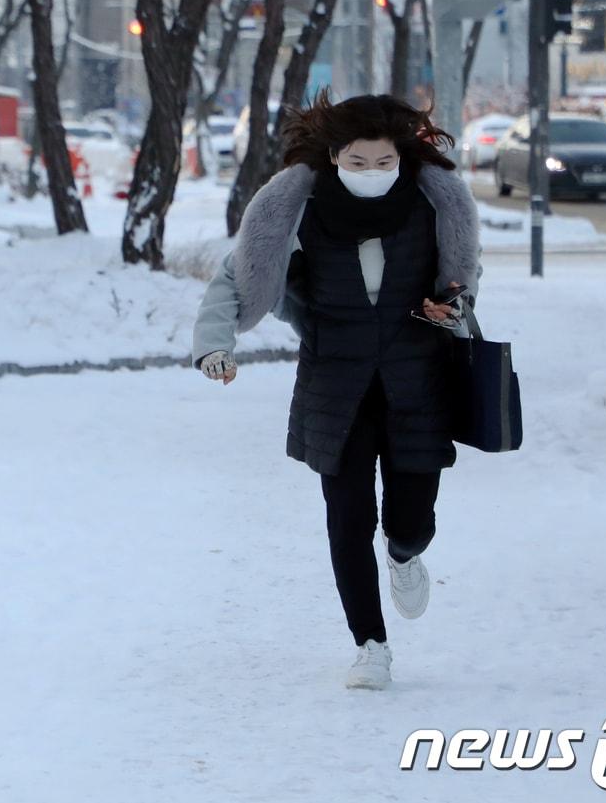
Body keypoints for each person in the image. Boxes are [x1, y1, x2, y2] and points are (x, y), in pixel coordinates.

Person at [192, 92, 481, 691]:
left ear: (401, 157)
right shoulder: (300, 210)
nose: (371, 174)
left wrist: (450, 308)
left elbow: (459, 282)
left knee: (411, 518)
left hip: (415, 382)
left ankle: (404, 554)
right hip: (335, 387)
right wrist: (215, 344)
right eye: (357, 163)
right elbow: (236, 275)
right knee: (347, 519)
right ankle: (370, 646)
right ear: (334, 158)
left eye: (382, 163)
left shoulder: (429, 205)